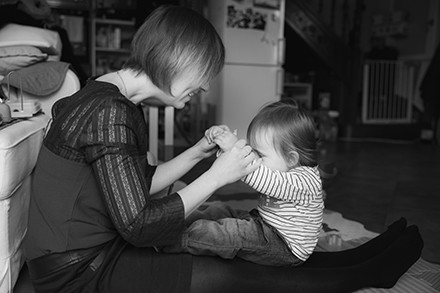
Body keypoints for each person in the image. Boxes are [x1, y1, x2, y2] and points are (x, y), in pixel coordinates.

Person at [24, 5, 423, 293]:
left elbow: (137, 184)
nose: (207, 88)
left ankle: (363, 258)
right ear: (178, 58)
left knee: (243, 254)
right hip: (79, 272)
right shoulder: (109, 112)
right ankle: (370, 271)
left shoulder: (109, 99)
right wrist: (217, 177)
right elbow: (140, 224)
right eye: (204, 73)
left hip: (93, 250)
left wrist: (197, 152)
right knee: (242, 276)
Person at [165, 100, 324, 266]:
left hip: (284, 246)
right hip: (264, 223)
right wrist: (224, 146)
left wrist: (233, 147)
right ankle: (174, 221)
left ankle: (169, 240)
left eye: (259, 154)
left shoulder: (306, 180)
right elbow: (249, 163)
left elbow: (262, 177)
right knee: (220, 210)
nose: (254, 156)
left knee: (227, 233)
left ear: (291, 158)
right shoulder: (283, 163)